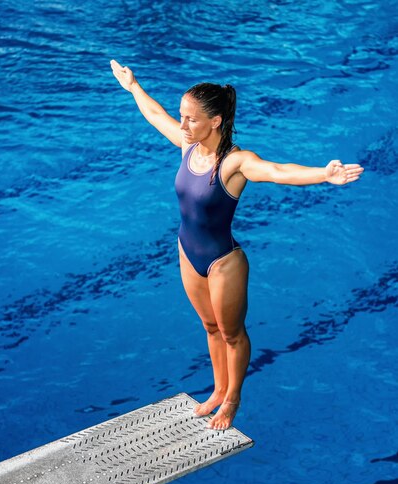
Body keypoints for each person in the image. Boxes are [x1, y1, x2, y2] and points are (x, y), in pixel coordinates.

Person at [110, 60, 364, 431]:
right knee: (210, 328)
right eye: (182, 117)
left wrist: (323, 175)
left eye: (191, 119)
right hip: (186, 252)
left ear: (214, 121)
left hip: (222, 262)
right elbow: (155, 114)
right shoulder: (188, 147)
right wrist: (133, 86)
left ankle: (232, 399)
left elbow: (279, 172)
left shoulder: (235, 162)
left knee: (232, 333)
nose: (182, 125)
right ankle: (217, 389)